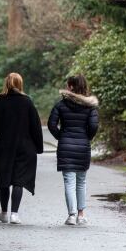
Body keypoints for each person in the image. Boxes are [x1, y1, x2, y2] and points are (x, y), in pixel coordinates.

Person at [0, 72, 44, 225]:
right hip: (25, 147)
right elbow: (36, 127)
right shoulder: (27, 102)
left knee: (4, 179)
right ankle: (14, 214)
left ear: (7, 84)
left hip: (3, 147)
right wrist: (39, 147)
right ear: (20, 84)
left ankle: (3, 212)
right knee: (18, 180)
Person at [48, 74, 99, 226]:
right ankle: (81, 215)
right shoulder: (90, 107)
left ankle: (71, 215)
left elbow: (52, 124)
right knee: (81, 181)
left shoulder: (61, 105)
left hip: (65, 146)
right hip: (83, 146)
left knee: (69, 182)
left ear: (70, 86)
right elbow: (94, 126)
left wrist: (61, 137)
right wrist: (86, 138)